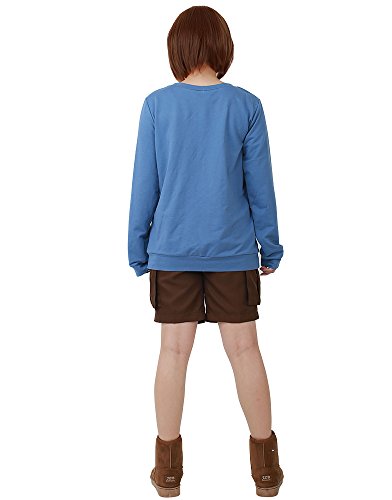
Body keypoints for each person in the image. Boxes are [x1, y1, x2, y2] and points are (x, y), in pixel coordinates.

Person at [128, 6, 284, 497]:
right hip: (233, 252)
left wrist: (137, 248)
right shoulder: (246, 106)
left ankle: (167, 471)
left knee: (172, 354)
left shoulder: (157, 106)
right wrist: (270, 246)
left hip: (171, 251)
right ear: (223, 47)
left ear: (177, 49)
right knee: (246, 351)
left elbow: (145, 184)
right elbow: (260, 187)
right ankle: (266, 469)